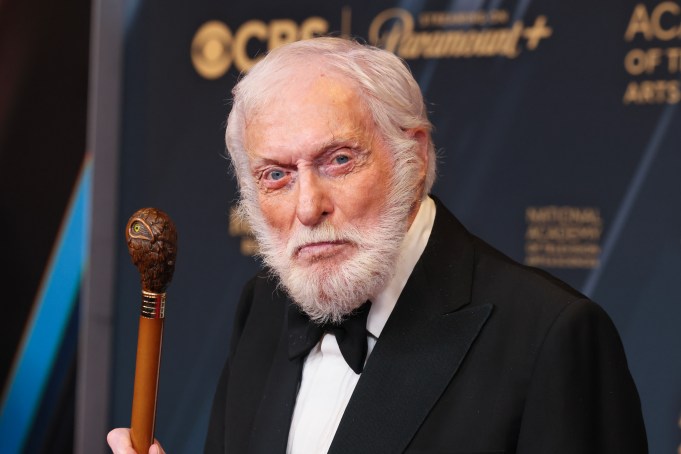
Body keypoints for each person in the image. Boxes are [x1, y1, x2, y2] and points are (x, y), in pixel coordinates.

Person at [109, 36, 647, 453]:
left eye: (338, 160)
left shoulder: (553, 337)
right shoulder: (263, 308)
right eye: (276, 175)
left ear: (412, 161)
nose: (307, 206)